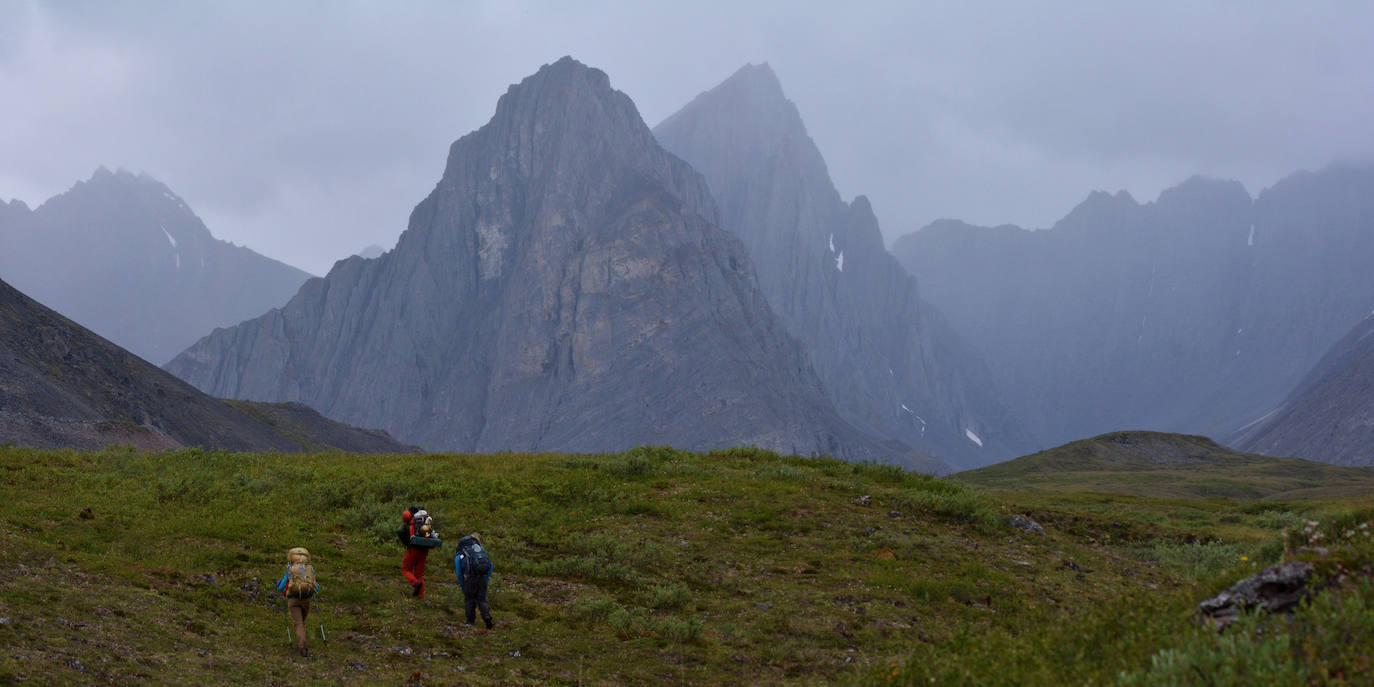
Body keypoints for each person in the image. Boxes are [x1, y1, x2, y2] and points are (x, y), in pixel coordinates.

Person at [275, 547, 319, 657]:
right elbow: (316, 588)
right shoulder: (309, 570)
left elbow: (281, 587)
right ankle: (302, 643)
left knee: (298, 623)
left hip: (293, 600)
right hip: (306, 600)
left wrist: (278, 584)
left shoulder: (291, 570)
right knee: (302, 622)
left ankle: (302, 647)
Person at [455, 533, 494, 629]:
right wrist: (487, 578)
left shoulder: (461, 554)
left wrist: (463, 586)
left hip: (471, 578)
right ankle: (486, 617)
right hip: (483, 577)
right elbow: (491, 565)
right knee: (482, 599)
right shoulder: (481, 551)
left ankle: (470, 621)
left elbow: (459, 574)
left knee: (469, 599)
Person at [398, 505, 430, 597]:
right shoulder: (426, 519)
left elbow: (400, 530)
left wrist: (406, 543)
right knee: (419, 574)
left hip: (413, 549)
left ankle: (415, 583)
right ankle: (421, 595)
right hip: (424, 550)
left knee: (406, 569)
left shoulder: (412, 520)